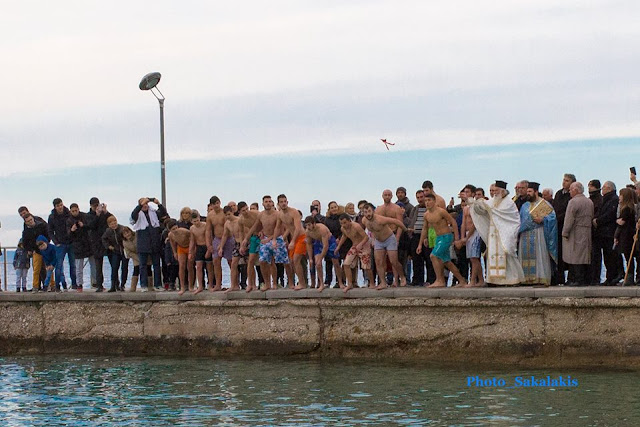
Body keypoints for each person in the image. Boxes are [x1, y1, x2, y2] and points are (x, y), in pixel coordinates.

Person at [468, 180, 525, 285]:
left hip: (505, 232)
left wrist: (487, 207)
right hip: (493, 233)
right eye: (494, 191)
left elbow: (511, 217)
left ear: (503, 191)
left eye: (497, 191)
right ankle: (494, 280)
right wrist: (472, 203)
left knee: (507, 254)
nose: (495, 193)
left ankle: (511, 279)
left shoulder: (509, 202)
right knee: (493, 255)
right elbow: (481, 210)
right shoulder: (492, 201)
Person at [417, 194, 468, 287]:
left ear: (434, 201)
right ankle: (462, 281)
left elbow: (453, 222)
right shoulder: (426, 215)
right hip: (438, 238)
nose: (427, 202)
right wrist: (420, 244)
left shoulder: (441, 212)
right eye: (426, 201)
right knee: (446, 261)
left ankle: (440, 280)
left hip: (446, 237)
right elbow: (425, 229)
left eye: (429, 200)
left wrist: (457, 238)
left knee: (433, 256)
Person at [242, 195, 286, 291]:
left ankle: (275, 283)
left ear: (272, 203)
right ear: (263, 204)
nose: (268, 203)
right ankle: (267, 283)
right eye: (266, 202)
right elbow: (254, 227)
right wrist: (246, 239)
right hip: (265, 239)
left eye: (270, 201)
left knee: (272, 261)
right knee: (262, 261)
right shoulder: (261, 215)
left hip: (276, 238)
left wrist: (270, 239)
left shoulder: (277, 214)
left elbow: (280, 230)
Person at [517, 182, 558, 286]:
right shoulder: (524, 206)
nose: (528, 193)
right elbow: (520, 220)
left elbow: (553, 219)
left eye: (530, 191)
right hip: (525, 235)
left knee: (539, 256)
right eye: (527, 191)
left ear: (536, 192)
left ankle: (540, 277)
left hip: (539, 234)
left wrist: (543, 220)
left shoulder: (544, 204)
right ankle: (526, 279)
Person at [362, 202, 408, 289]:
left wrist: (405, 230)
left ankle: (402, 277)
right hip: (378, 241)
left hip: (389, 239)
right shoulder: (364, 221)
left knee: (393, 261)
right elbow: (371, 231)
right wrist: (373, 239)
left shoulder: (380, 219)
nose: (368, 214)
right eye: (365, 212)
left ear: (373, 211)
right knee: (378, 262)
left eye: (369, 211)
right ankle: (383, 282)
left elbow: (396, 221)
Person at [131, 197, 168, 292]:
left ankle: (158, 285)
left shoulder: (153, 213)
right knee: (142, 265)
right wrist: (140, 205)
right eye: (143, 204)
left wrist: (158, 204)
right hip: (143, 244)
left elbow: (163, 213)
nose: (145, 205)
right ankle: (143, 285)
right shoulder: (138, 215)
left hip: (154, 243)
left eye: (146, 203)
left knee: (156, 265)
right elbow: (133, 215)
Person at [562, 182, 594, 286]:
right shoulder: (589, 202)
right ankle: (584, 279)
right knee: (584, 256)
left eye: (571, 190)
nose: (569, 192)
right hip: (587, 231)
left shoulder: (573, 202)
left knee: (574, 256)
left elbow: (569, 219)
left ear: (576, 190)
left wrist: (565, 232)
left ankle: (576, 279)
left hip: (575, 231)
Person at [593, 181, 623, 285]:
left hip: (609, 232)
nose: (602, 189)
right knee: (607, 256)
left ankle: (613, 276)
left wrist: (598, 221)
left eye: (604, 187)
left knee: (611, 256)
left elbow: (609, 214)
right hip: (604, 233)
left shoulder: (613, 199)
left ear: (609, 188)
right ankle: (609, 277)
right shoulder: (605, 199)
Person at [304, 216, 344, 292]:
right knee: (317, 264)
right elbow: (308, 244)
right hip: (318, 242)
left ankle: (340, 282)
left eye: (309, 225)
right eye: (306, 225)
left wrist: (321, 258)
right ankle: (321, 284)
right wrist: (310, 258)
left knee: (336, 263)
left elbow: (326, 246)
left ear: (314, 224)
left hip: (329, 241)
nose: (308, 227)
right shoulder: (307, 232)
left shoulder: (322, 229)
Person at [336, 213, 374, 291]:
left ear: (349, 221)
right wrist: (338, 247)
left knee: (366, 266)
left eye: (345, 223)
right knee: (346, 264)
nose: (343, 225)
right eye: (341, 223)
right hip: (355, 246)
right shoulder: (343, 228)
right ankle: (350, 284)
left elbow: (366, 237)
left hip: (364, 245)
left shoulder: (356, 226)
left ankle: (372, 283)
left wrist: (360, 244)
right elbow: (344, 236)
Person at [457, 185, 485, 287]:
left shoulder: (475, 207)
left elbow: (475, 224)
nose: (465, 194)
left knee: (474, 258)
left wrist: (467, 237)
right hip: (467, 234)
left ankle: (473, 281)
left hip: (475, 234)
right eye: (465, 192)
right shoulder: (465, 208)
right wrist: (462, 237)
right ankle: (481, 280)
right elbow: (463, 224)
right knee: (472, 258)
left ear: (473, 194)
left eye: (468, 192)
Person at [553, 173, 576, 285]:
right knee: (559, 253)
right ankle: (559, 277)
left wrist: (559, 217)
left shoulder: (572, 196)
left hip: (566, 225)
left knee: (569, 253)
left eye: (567, 180)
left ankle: (571, 278)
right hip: (557, 226)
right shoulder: (558, 193)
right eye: (564, 180)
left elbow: (569, 211)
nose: (564, 182)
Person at [206, 196, 233, 291]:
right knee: (216, 261)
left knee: (231, 261)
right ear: (211, 205)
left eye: (217, 203)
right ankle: (218, 284)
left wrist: (222, 244)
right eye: (214, 204)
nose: (216, 205)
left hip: (228, 238)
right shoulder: (210, 215)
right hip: (217, 238)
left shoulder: (224, 213)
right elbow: (208, 230)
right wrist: (209, 244)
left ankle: (234, 284)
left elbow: (227, 230)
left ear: (220, 202)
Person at [48, 198, 75, 291]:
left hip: (71, 242)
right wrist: (56, 242)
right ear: (55, 207)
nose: (60, 207)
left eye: (61, 205)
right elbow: (50, 231)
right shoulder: (52, 217)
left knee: (73, 265)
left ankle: (74, 284)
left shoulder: (69, 214)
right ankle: (57, 286)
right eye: (58, 206)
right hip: (60, 243)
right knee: (59, 265)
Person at [408, 190, 434, 286]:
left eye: (421, 197)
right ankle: (417, 280)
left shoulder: (429, 209)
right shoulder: (415, 209)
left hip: (427, 236)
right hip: (415, 235)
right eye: (418, 198)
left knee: (428, 258)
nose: (420, 199)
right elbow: (411, 220)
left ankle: (430, 280)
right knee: (416, 258)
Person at [615, 188, 638, 286]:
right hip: (626, 234)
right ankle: (629, 277)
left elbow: (621, 222)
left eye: (621, 195)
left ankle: (629, 278)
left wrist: (617, 220)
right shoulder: (628, 208)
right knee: (628, 256)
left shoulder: (627, 209)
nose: (619, 197)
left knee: (628, 256)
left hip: (626, 235)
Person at [18, 206, 46, 289]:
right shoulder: (25, 224)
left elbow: (47, 230)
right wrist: (29, 249)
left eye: (24, 213)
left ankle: (46, 285)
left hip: (42, 246)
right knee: (36, 268)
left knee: (43, 267)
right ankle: (38, 286)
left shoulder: (38, 220)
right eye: (21, 214)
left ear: (28, 211)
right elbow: (26, 238)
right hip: (34, 248)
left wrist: (45, 243)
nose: (23, 215)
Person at [218, 206, 245, 292]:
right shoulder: (227, 223)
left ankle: (252, 285)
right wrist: (221, 247)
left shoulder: (239, 220)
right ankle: (233, 285)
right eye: (226, 215)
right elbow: (225, 235)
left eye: (229, 214)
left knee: (249, 264)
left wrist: (243, 245)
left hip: (244, 242)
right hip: (236, 244)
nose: (228, 216)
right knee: (233, 264)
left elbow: (243, 232)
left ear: (232, 212)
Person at [87, 197, 111, 291]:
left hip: (106, 240)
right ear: (91, 206)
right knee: (98, 265)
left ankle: (115, 284)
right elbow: (91, 226)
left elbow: (112, 220)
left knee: (113, 263)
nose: (96, 207)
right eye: (94, 206)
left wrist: (106, 212)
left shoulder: (104, 214)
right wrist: (97, 215)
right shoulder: (88, 215)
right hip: (96, 242)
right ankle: (99, 285)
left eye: (97, 205)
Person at [67, 203, 92, 292]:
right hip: (77, 245)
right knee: (78, 268)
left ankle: (96, 283)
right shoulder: (69, 220)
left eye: (76, 210)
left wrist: (83, 225)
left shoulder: (85, 216)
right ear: (70, 212)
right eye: (73, 211)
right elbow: (68, 235)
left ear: (78, 209)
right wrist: (72, 230)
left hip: (88, 244)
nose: (75, 212)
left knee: (93, 265)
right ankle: (79, 284)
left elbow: (91, 227)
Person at [238, 202, 262, 292]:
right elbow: (241, 232)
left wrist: (262, 231)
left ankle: (265, 283)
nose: (246, 211)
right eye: (243, 210)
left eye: (247, 209)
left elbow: (264, 222)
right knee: (250, 261)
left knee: (264, 261)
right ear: (240, 212)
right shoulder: (241, 220)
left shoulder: (256, 213)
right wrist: (242, 245)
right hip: (253, 237)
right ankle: (251, 284)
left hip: (262, 236)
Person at [188, 210, 213, 294]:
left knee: (209, 267)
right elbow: (192, 241)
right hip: (199, 247)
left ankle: (210, 285)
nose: (196, 222)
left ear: (199, 218)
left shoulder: (205, 225)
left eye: (197, 220)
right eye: (194, 221)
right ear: (191, 221)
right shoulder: (192, 228)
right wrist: (190, 252)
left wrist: (209, 249)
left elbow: (209, 237)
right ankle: (200, 286)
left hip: (206, 246)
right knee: (198, 267)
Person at [102, 215, 128, 292]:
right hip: (115, 251)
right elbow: (103, 239)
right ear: (109, 225)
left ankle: (122, 285)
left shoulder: (122, 228)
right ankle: (113, 286)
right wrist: (108, 246)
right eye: (112, 224)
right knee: (114, 268)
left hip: (124, 251)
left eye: (115, 223)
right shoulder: (108, 231)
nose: (114, 225)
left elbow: (128, 237)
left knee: (124, 268)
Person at [167, 219, 193, 295]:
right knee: (181, 266)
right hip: (180, 248)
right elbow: (172, 243)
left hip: (189, 246)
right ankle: (182, 287)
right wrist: (175, 253)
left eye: (176, 228)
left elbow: (192, 238)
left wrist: (191, 251)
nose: (175, 230)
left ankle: (191, 286)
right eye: (173, 229)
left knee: (190, 266)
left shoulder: (184, 231)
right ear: (170, 230)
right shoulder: (170, 235)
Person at [122, 227, 151, 292]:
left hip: (144, 253)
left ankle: (150, 286)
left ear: (130, 231)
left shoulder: (137, 235)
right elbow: (128, 252)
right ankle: (133, 287)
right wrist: (138, 258)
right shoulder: (125, 242)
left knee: (148, 268)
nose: (127, 235)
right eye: (125, 234)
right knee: (136, 270)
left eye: (128, 232)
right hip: (135, 256)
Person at [588, 180, 604, 284]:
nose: (589, 188)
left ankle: (595, 278)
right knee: (593, 255)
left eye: (590, 186)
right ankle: (593, 277)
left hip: (596, 231)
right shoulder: (593, 199)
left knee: (595, 255)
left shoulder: (598, 200)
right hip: (593, 231)